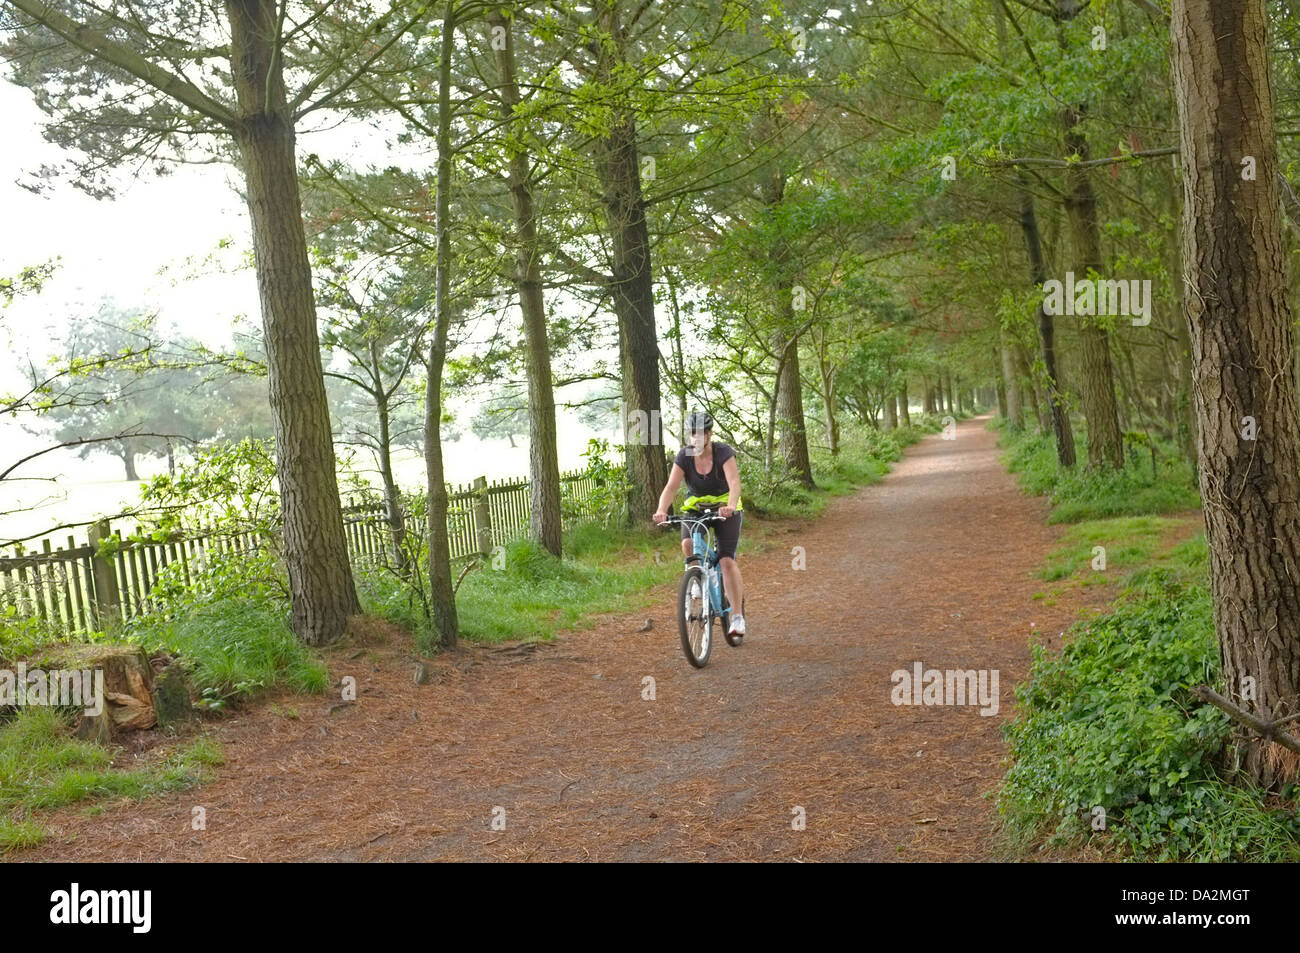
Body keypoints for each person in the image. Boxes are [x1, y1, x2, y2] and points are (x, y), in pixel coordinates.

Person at [652, 410, 746, 637]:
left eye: (700, 434)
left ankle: (736, 616)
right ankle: (695, 579)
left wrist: (730, 506)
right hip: (696, 507)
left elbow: (734, 482)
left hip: (725, 506)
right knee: (687, 544)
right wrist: (661, 510)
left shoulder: (723, 452)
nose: (695, 438)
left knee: (725, 561)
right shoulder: (684, 456)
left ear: (709, 434)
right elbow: (671, 487)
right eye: (692, 434)